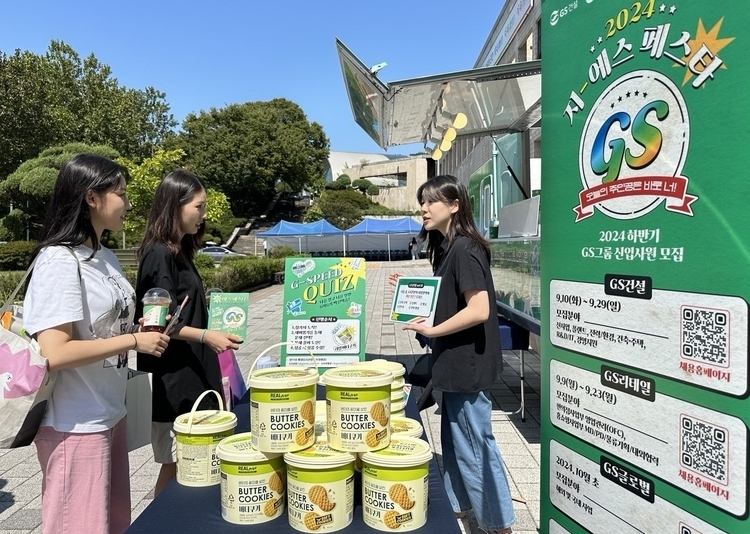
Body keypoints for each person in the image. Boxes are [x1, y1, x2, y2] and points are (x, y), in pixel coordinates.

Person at [23, 154, 170, 534]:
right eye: (120, 193)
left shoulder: (104, 257)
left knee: (114, 523)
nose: (129, 203)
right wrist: (134, 339)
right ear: (91, 198)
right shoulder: (58, 259)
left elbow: (102, 329)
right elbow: (54, 352)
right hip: (75, 422)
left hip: (110, 411)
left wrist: (134, 327)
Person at [388, 175, 514, 534]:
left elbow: (479, 309)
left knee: (475, 446)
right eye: (421, 202)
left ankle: (498, 524)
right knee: (455, 441)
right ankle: (458, 510)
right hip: (453, 364)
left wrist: (432, 331)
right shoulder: (446, 248)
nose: (423, 209)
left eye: (431, 202)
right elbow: (447, 303)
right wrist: (409, 294)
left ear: (455, 205)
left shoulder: (466, 249)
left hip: (467, 365)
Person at [135, 169, 242, 496]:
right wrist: (205, 336)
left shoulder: (178, 250)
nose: (204, 215)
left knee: (194, 460)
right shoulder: (159, 252)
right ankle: (157, 523)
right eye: (199, 206)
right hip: (175, 376)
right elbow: (154, 320)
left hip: (192, 370)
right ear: (175, 206)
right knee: (179, 462)